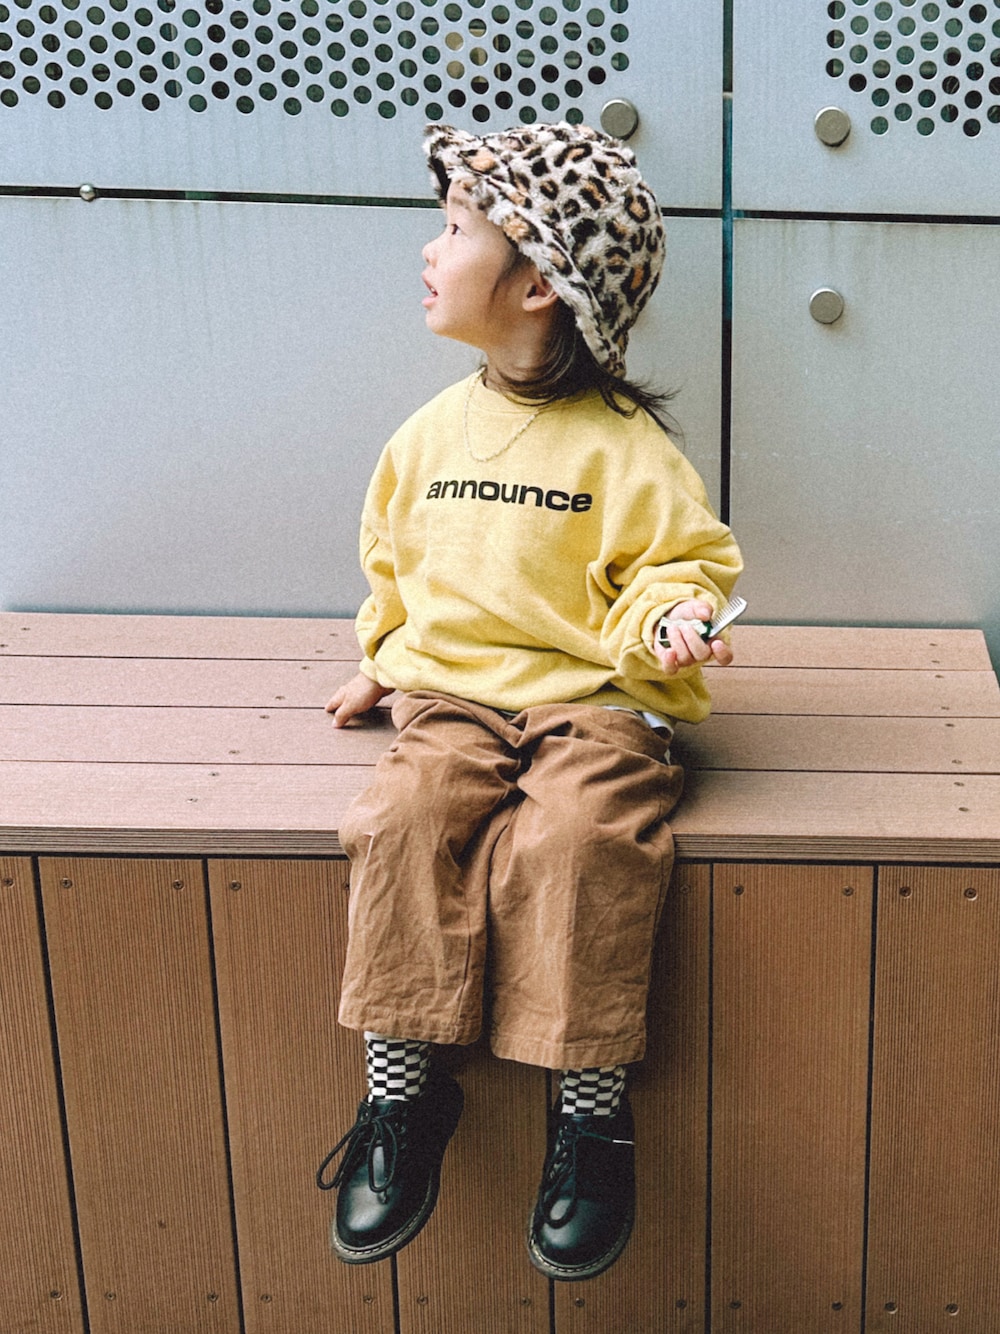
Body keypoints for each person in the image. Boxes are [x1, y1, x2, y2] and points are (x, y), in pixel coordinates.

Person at [315, 121, 742, 1282]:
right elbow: (395, 565)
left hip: (596, 701)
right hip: (453, 700)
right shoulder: (426, 437)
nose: (429, 248)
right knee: (400, 819)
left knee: (578, 837)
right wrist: (381, 659)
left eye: (455, 229)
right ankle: (404, 1092)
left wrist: (671, 618)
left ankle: (588, 1108)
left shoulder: (627, 450)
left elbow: (679, 562)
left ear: (538, 283)